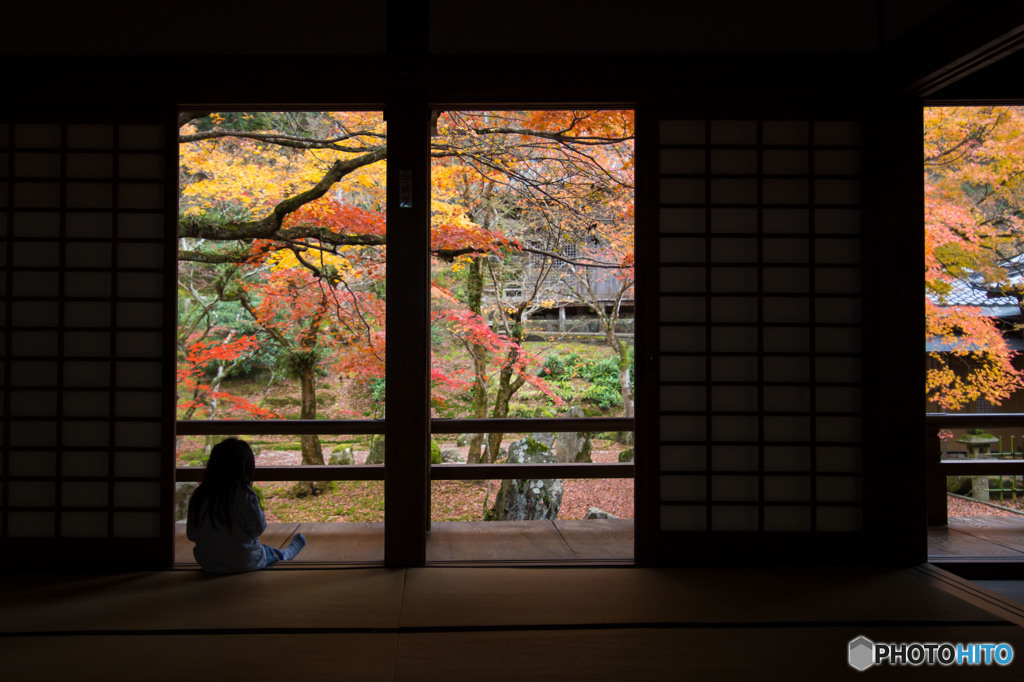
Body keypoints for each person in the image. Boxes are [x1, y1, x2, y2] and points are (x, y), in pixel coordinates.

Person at [186, 437, 306, 573]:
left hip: (209, 563)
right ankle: (284, 555)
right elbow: (258, 529)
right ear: (245, 467)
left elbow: (191, 534)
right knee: (266, 551)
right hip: (244, 561)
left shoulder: (199, 495)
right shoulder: (244, 495)